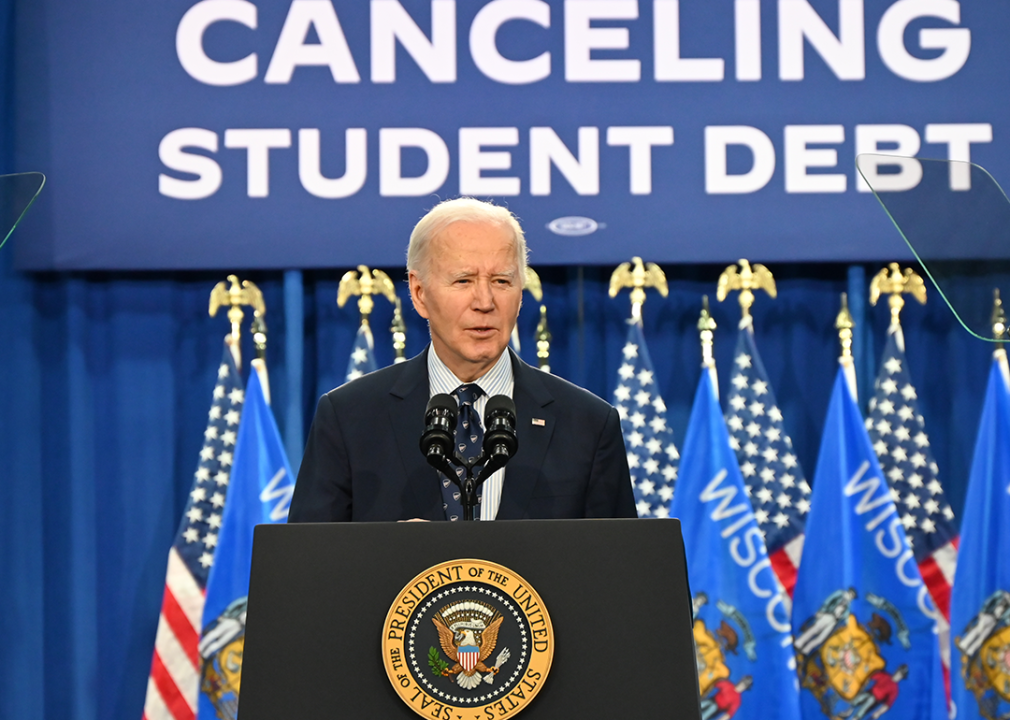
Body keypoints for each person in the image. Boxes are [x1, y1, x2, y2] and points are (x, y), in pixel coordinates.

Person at [288, 197, 636, 522]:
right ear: (419, 293)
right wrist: (388, 558)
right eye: (463, 280)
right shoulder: (349, 418)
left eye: (501, 280)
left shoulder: (588, 425)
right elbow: (306, 571)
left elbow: (621, 573)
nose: (484, 301)